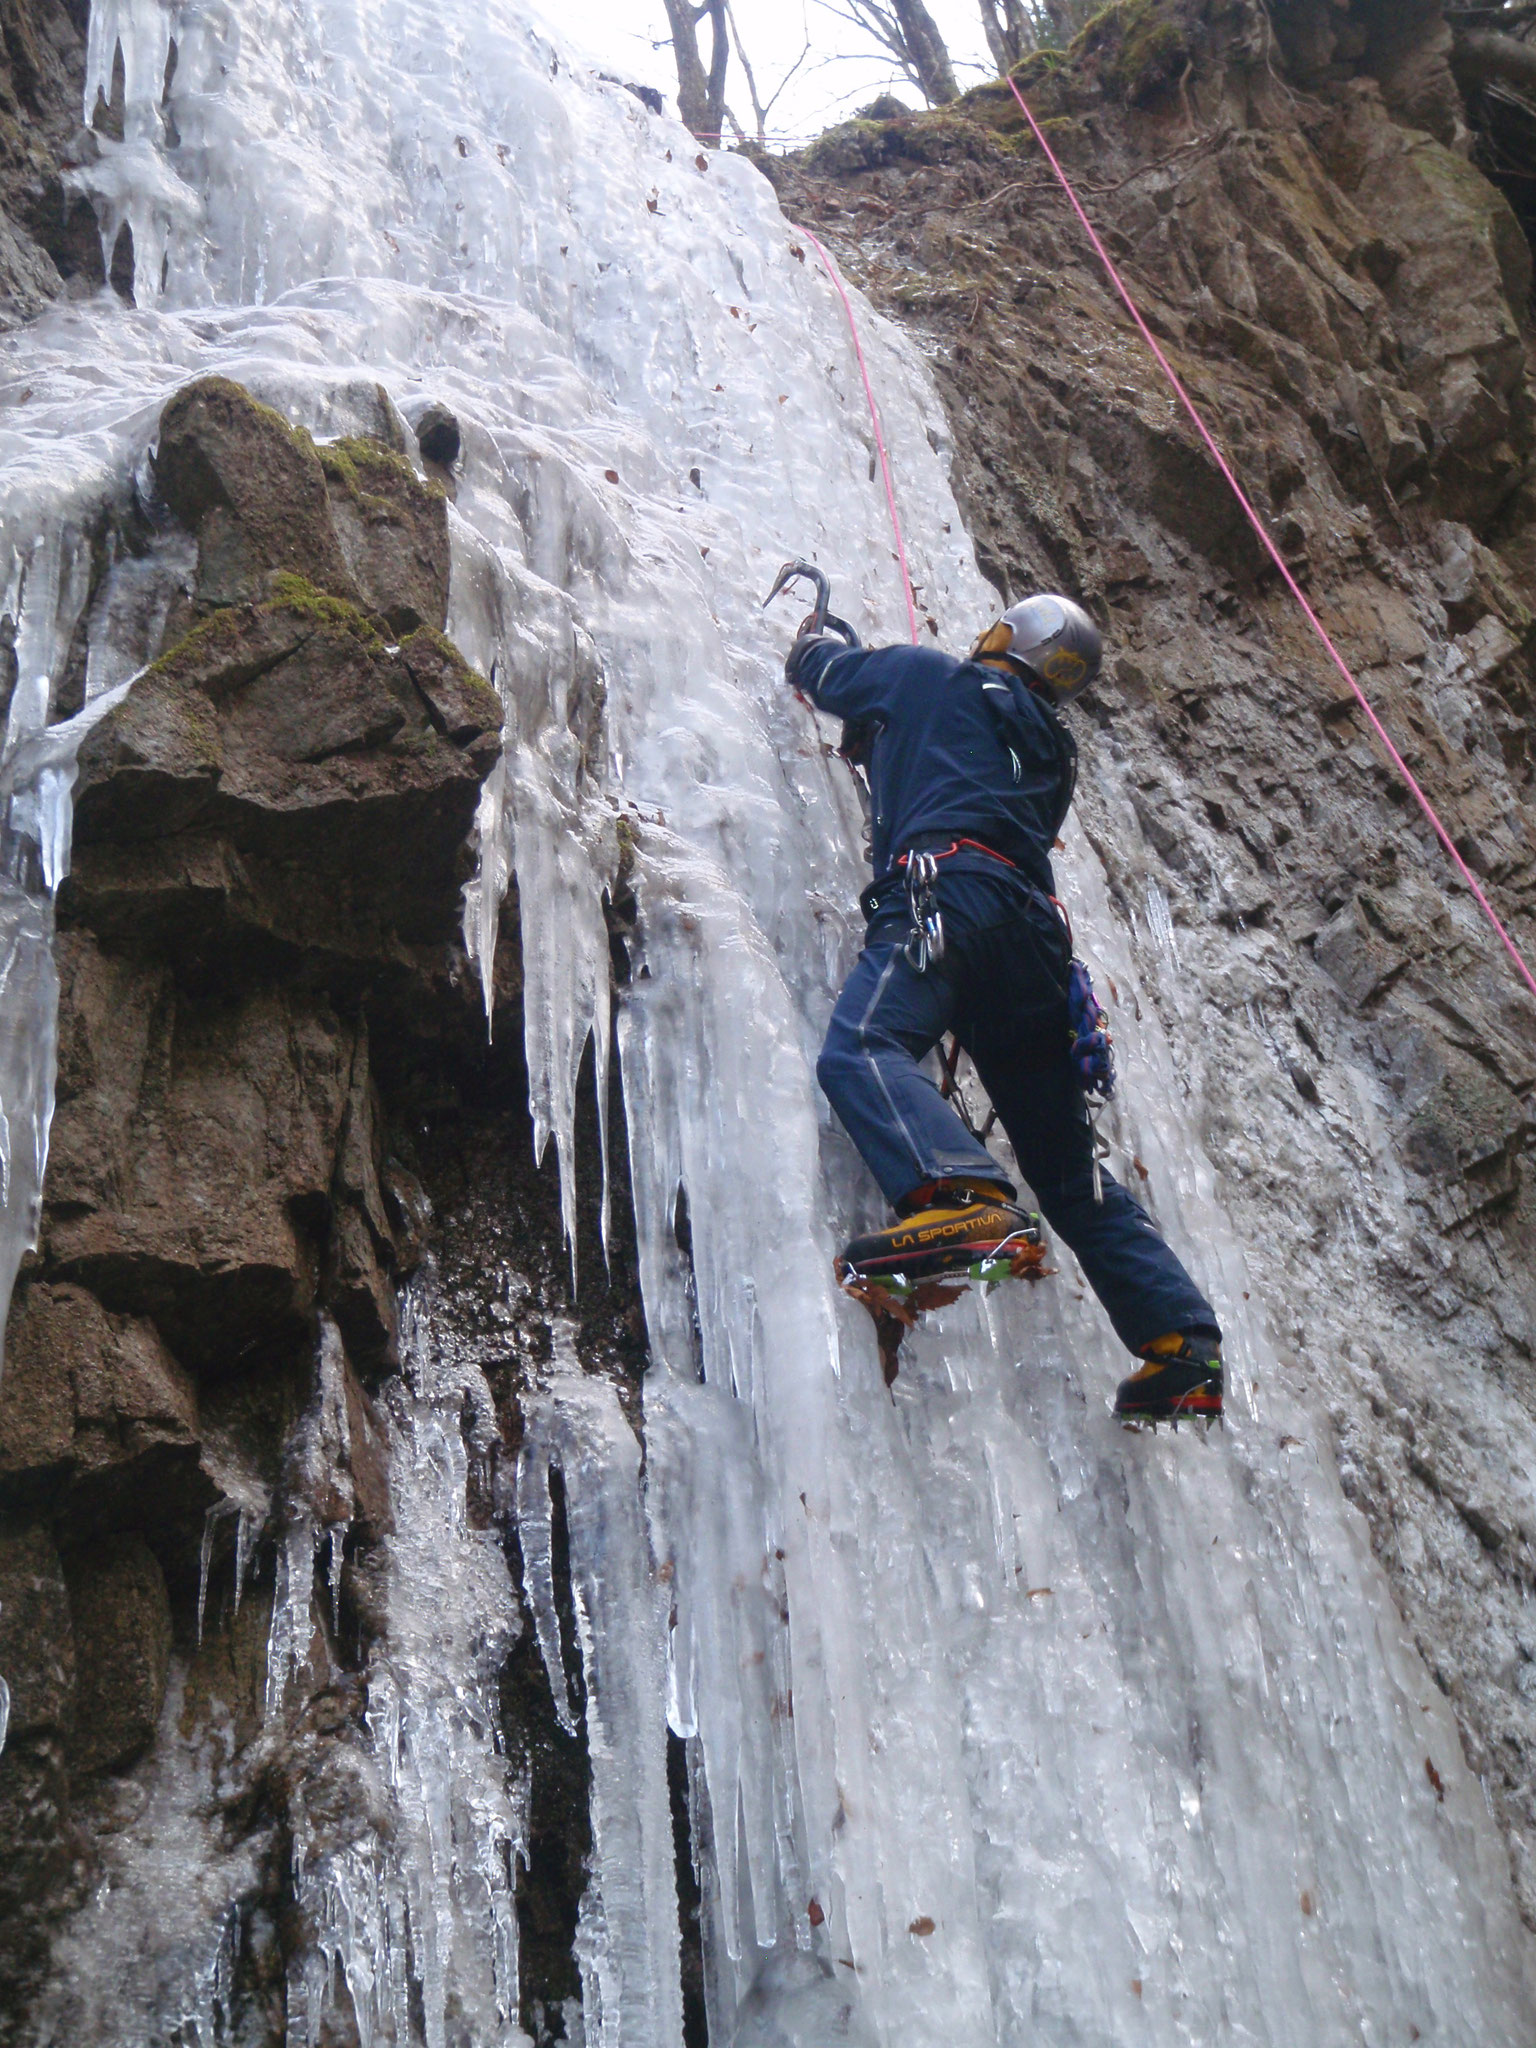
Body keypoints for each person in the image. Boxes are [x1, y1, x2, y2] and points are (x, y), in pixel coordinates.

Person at [788, 593, 1223, 1422]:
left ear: (1005, 635)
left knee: (863, 1049)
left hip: (946, 901)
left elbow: (830, 677)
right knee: (1067, 1175)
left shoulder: (929, 678)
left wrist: (815, 641)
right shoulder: (1052, 754)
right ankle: (1182, 1346)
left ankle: (964, 1200)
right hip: (1035, 951)